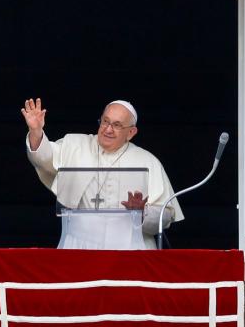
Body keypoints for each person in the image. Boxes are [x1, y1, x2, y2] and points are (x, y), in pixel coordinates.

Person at [22, 98, 184, 249]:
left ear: (131, 133)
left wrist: (143, 212)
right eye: (105, 121)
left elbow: (166, 216)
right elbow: (43, 159)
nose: (108, 129)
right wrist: (36, 131)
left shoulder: (148, 161)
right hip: (79, 245)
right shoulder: (75, 144)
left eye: (117, 125)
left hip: (130, 247)